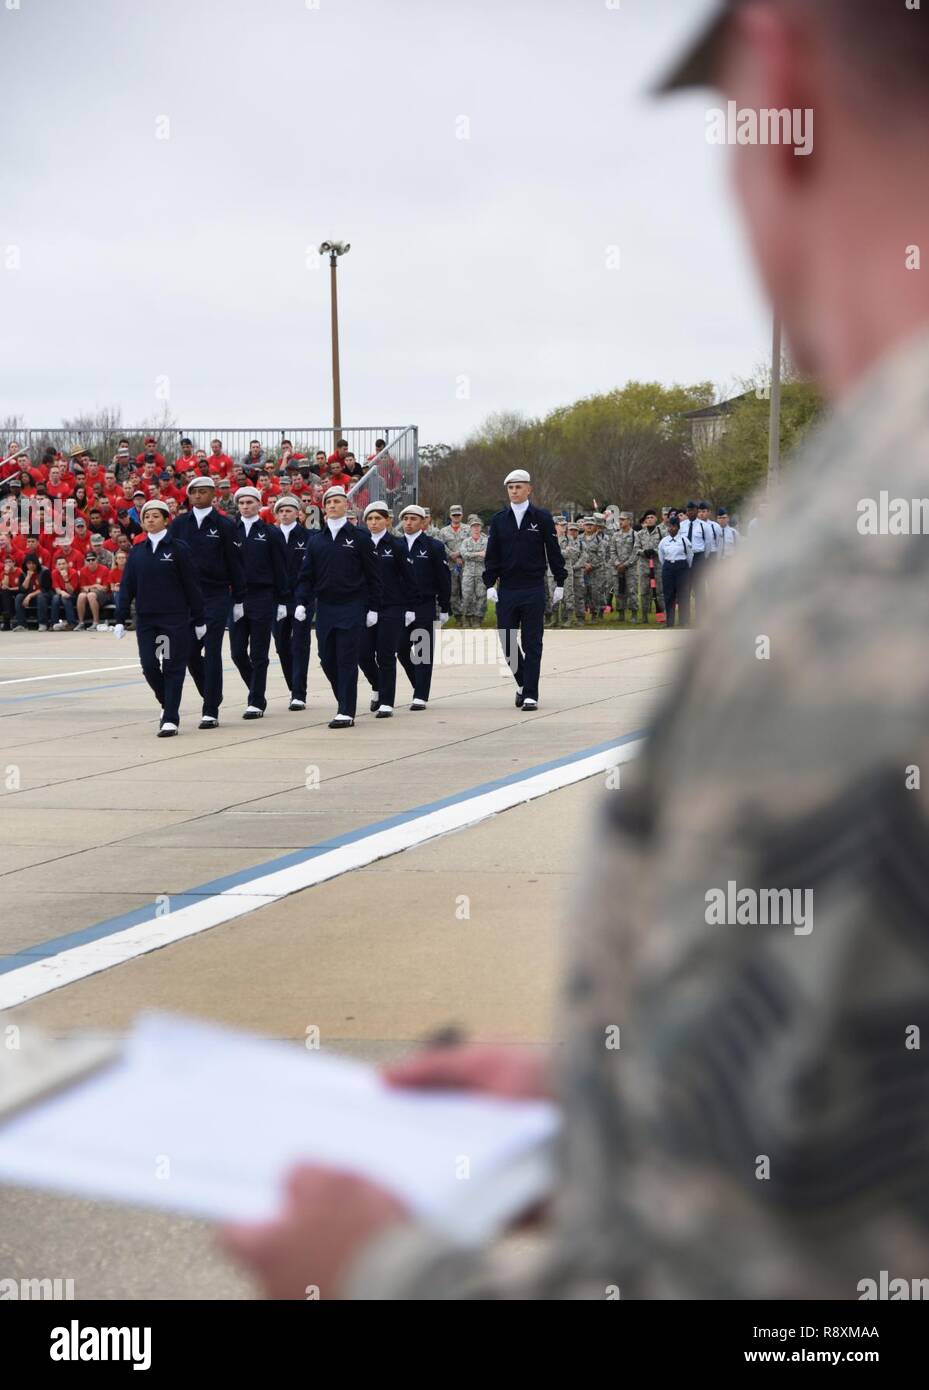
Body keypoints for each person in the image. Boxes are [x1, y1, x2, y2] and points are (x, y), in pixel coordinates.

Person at [222, 0, 929, 1303]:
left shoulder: (865, 557)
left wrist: (378, 1268)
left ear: (778, 71)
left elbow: (770, 1291)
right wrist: (620, 1108)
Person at [114, 500, 205, 737]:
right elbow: (127, 587)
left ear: (166, 520)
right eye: (147, 517)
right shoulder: (137, 552)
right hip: (147, 620)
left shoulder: (178, 548)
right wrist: (119, 618)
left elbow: (191, 585)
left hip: (173, 619)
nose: (150, 520)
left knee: (173, 666)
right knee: (150, 666)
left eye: (155, 516)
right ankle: (167, 703)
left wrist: (198, 618)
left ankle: (171, 718)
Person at [294, 486, 382, 728]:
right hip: (326, 607)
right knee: (326, 658)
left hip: (352, 604)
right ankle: (343, 699)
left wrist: (373, 607)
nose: (332, 505)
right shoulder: (316, 541)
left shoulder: (360, 537)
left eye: (337, 501)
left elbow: (373, 576)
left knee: (346, 658)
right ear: (324, 508)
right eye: (328, 502)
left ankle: (346, 710)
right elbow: (306, 576)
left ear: (346, 505)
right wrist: (301, 601)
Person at [483, 469, 565, 711]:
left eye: (519, 487)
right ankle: (523, 683)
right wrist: (489, 583)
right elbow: (492, 555)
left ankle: (531, 694)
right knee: (506, 640)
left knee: (532, 642)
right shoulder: (499, 519)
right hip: (507, 588)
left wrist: (560, 581)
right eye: (511, 487)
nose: (515, 491)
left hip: (532, 587)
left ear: (529, 489)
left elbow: (553, 550)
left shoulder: (541, 517)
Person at [169, 476, 246, 729]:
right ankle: (211, 692)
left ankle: (210, 709)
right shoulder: (179, 524)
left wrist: (239, 599)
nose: (198, 496)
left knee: (212, 650)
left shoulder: (224, 524)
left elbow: (235, 563)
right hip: (187, 597)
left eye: (203, 492)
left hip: (215, 594)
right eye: (194, 492)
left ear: (213, 494)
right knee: (190, 651)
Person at [230, 486, 289, 720]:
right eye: (242, 503)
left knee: (259, 652)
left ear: (258, 504)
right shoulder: (230, 531)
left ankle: (255, 700)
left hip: (262, 596)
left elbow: (280, 568)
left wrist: (283, 600)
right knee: (237, 653)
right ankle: (256, 690)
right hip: (236, 597)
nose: (245, 506)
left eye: (250, 502)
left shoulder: (270, 532)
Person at [394, 503, 450, 711]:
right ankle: (418, 684)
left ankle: (420, 695)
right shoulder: (395, 545)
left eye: (413, 519)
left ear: (423, 522)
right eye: (405, 519)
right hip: (401, 605)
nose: (408, 523)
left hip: (424, 603)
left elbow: (443, 578)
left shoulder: (433, 546)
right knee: (401, 648)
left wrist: (444, 606)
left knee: (422, 650)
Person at [358, 500, 410, 718]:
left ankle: (387, 701)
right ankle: (378, 685)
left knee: (386, 655)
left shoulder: (397, 545)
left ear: (388, 521)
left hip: (391, 606)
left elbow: (408, 577)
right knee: (363, 655)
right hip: (365, 607)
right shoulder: (359, 543)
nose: (373, 522)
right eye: (369, 518)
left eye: (378, 518)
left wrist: (410, 606)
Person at [272, 495, 313, 712]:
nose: (285, 514)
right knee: (281, 646)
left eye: (289, 511)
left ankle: (299, 693)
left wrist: (304, 600)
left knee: (300, 644)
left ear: (298, 514)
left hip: (302, 597)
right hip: (277, 598)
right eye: (281, 511)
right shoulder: (271, 536)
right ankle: (293, 686)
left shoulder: (308, 537)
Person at [657, 514, 694, 629]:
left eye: (673, 526)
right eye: (669, 526)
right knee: (668, 595)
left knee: (683, 594)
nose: (671, 528)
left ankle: (684, 621)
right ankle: (669, 621)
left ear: (678, 528)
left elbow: (690, 556)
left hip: (681, 567)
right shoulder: (664, 541)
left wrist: (683, 566)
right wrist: (668, 565)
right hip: (668, 567)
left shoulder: (684, 540)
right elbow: (661, 556)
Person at [633, 509, 664, 624]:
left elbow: (664, 547)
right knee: (644, 592)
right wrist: (644, 552)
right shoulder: (640, 534)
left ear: (656, 519)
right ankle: (644, 616)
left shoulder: (661, 532)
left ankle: (661, 615)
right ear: (645, 521)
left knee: (660, 592)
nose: (650, 519)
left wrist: (655, 551)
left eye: (652, 517)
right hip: (644, 566)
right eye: (647, 518)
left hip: (657, 566)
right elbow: (636, 548)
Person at [438, 505, 466, 619]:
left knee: (466, 591)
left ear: (462, 515)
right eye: (454, 515)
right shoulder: (443, 531)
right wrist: (451, 555)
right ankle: (458, 615)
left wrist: (460, 554)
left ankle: (468, 615)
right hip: (451, 565)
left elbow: (470, 544)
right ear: (450, 516)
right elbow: (441, 546)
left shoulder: (468, 529)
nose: (456, 517)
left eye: (458, 515)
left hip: (465, 565)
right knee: (453, 591)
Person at [459, 518, 487, 628]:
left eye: (478, 526)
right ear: (470, 528)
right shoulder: (465, 542)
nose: (476, 528)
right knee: (466, 596)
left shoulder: (486, 541)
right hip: (468, 574)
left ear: (481, 527)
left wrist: (472, 554)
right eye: (473, 526)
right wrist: (479, 553)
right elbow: (464, 555)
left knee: (481, 596)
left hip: (481, 573)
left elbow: (487, 555)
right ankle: (467, 618)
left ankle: (477, 619)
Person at [610, 512, 638, 623]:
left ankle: (634, 614)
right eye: (620, 519)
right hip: (617, 568)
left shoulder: (635, 535)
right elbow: (612, 551)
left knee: (632, 591)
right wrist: (617, 563)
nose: (621, 521)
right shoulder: (615, 535)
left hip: (630, 569)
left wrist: (625, 564)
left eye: (623, 519)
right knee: (618, 591)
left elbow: (636, 552)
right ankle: (621, 613)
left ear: (629, 521)